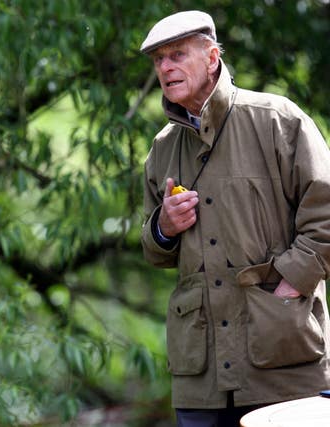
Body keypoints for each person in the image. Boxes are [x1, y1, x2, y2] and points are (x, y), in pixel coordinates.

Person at [139, 10, 330, 427]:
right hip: (200, 377)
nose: (165, 67)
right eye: (158, 60)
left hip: (283, 363)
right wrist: (163, 227)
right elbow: (154, 250)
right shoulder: (162, 148)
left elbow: (327, 214)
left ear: (211, 58)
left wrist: (290, 284)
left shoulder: (278, 120)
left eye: (176, 55)